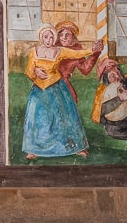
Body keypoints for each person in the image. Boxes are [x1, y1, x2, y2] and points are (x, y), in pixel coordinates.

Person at [22, 23, 97, 160]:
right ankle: (33, 150)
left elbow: (77, 53)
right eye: (46, 37)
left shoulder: (59, 51)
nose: (49, 40)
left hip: (56, 88)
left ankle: (75, 146)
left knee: (64, 116)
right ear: (41, 38)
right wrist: (35, 71)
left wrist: (92, 50)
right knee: (38, 119)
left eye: (51, 37)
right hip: (39, 91)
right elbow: (28, 70)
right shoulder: (34, 51)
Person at [55, 20, 104, 103]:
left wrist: (95, 53)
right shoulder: (53, 48)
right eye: (61, 35)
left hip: (64, 83)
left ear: (73, 37)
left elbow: (85, 69)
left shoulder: (77, 50)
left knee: (70, 103)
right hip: (50, 82)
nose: (64, 37)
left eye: (67, 35)